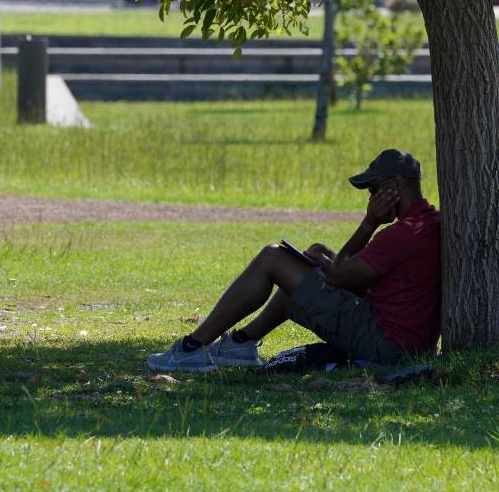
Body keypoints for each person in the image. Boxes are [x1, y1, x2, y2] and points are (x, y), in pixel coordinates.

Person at [147, 149, 441, 372]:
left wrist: (369, 223)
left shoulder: (401, 234)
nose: (370, 198)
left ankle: (191, 348)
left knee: (274, 257)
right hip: (406, 339)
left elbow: (337, 276)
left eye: (374, 189)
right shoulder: (429, 222)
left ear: (396, 184)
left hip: (384, 344)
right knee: (314, 254)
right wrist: (322, 264)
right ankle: (241, 344)